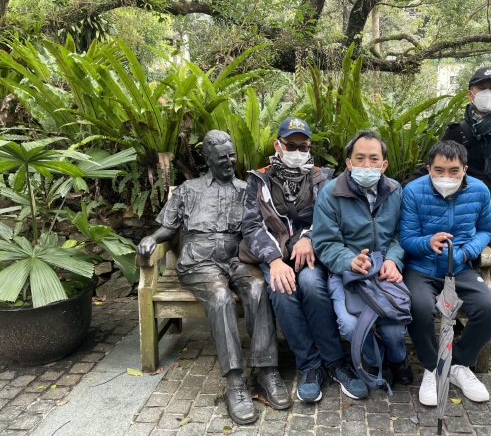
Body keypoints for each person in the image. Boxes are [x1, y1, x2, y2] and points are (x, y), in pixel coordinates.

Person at [136, 130, 290, 425]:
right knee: (220, 297)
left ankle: (267, 371)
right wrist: (151, 238)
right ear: (207, 159)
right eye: (221, 158)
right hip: (199, 261)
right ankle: (234, 381)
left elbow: (262, 227)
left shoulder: (247, 189)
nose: (229, 162)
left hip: (238, 258)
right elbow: (169, 227)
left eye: (232, 156)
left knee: (258, 287)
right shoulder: (188, 190)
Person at [404, 67, 491, 366]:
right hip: (471, 208)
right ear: (470, 93)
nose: (487, 93)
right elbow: (441, 161)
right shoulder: (458, 131)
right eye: (481, 87)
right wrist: (406, 187)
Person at [241, 117, 368, 403]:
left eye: (303, 146)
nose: (297, 151)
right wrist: (274, 260)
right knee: (282, 289)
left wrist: (309, 238)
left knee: (311, 283)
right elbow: (251, 225)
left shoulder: (323, 178)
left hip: (311, 252)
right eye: (291, 145)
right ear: (278, 145)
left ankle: (335, 361)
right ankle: (310, 365)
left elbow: (331, 216)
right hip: (275, 255)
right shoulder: (258, 180)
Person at [400, 140, 491, 405]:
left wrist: (467, 252)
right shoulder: (412, 191)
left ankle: (458, 364)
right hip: (420, 268)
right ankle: (432, 367)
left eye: (454, 170)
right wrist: (427, 243)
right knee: (419, 307)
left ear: (464, 169)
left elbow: (487, 229)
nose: (446, 177)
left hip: (460, 268)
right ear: (428, 169)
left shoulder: (479, 190)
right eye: (439, 170)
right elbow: (405, 238)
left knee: (490, 309)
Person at [313, 130, 414, 389]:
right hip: (347, 273)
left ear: (384, 165)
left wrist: (393, 260)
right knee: (350, 325)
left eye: (373, 159)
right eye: (359, 158)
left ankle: (397, 358)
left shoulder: (395, 191)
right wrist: (350, 261)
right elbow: (325, 241)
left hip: (384, 271)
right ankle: (375, 359)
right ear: (348, 163)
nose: (366, 165)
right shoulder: (330, 193)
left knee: (394, 327)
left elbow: (402, 234)